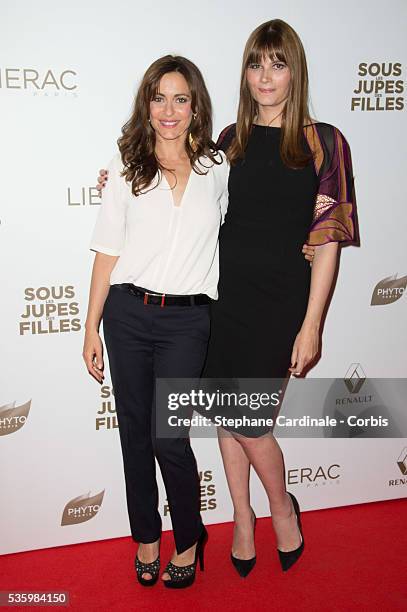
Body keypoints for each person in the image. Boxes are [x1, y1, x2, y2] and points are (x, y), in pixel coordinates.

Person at [202, 19, 356, 576]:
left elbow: (329, 240)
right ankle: (242, 519)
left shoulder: (324, 141)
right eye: (255, 63)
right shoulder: (227, 141)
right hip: (222, 299)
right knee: (224, 413)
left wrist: (311, 324)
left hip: (278, 304)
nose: (265, 75)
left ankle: (281, 508)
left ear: (296, 70)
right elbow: (182, 196)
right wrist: (121, 184)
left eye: (277, 62)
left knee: (250, 420)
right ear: (245, 72)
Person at [83, 54, 230, 589]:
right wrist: (90, 326)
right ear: (147, 105)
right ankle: (147, 536)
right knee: (135, 437)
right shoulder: (127, 173)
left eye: (181, 98)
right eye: (159, 97)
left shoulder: (218, 169)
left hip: (187, 323)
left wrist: (308, 246)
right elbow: (105, 252)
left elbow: (247, 225)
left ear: (196, 107)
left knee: (169, 439)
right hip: (127, 315)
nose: (169, 109)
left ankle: (189, 539)